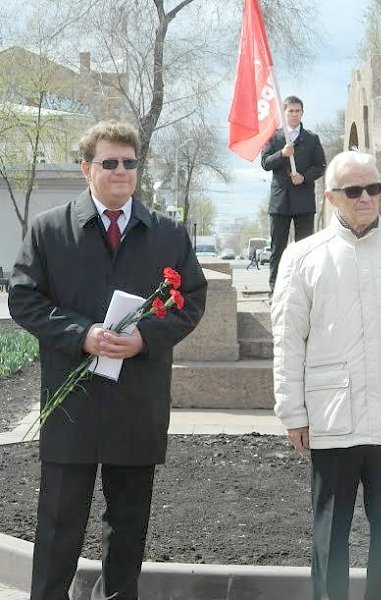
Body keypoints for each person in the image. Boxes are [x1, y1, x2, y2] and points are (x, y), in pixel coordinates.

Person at [8, 120, 207, 600]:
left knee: (128, 526)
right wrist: (83, 334)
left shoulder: (167, 234)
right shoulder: (50, 230)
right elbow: (24, 298)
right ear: (86, 169)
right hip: (71, 400)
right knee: (59, 524)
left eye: (130, 163)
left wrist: (145, 338)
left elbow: (192, 300)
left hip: (136, 401)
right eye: (110, 162)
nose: (122, 171)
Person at [271, 150, 381, 600]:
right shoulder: (302, 257)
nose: (366, 197)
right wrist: (292, 410)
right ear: (331, 197)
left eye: (374, 188)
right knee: (330, 532)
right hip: (333, 419)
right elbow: (289, 340)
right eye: (354, 190)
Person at [261, 95, 326, 294]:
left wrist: (304, 177)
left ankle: (305, 290)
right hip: (280, 202)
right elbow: (265, 163)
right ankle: (276, 290)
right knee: (277, 248)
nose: (294, 114)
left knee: (305, 249)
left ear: (302, 113)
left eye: (298, 111)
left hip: (304, 201)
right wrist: (282, 154)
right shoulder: (274, 137)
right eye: (291, 111)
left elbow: (321, 166)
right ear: (284, 112)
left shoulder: (312, 139)